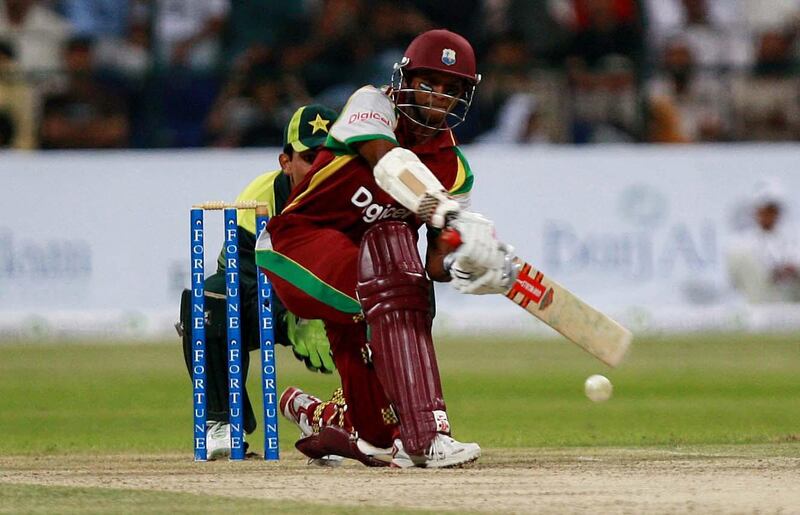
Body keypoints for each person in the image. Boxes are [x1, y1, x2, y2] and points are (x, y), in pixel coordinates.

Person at [256, 29, 514, 469]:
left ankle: (332, 419)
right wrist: (450, 217)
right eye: (429, 83)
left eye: (452, 90)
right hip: (297, 245)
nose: (439, 98)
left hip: (365, 284)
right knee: (393, 250)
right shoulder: (373, 105)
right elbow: (389, 164)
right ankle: (429, 435)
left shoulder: (455, 170)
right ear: (405, 77)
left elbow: (435, 264)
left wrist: (468, 263)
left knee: (377, 438)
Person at [178, 103, 339, 459]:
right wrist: (294, 315)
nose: (323, 168)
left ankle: (354, 423)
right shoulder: (260, 197)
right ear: (286, 162)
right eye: (312, 157)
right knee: (207, 302)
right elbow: (247, 279)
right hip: (266, 302)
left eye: (332, 156)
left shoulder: (351, 190)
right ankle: (220, 423)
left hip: (330, 303)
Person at [726, 179, 800, 303]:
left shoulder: (793, 239)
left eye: (771, 210)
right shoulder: (741, 244)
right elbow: (737, 281)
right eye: (763, 209)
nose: (767, 215)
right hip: (758, 310)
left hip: (790, 309)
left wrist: (792, 271)